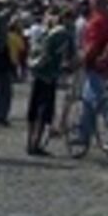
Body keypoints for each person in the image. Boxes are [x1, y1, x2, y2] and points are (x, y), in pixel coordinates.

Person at [75, 0, 108, 153]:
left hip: (94, 65)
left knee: (102, 103)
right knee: (88, 101)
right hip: (105, 65)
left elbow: (92, 45)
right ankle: (83, 134)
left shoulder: (96, 22)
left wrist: (83, 59)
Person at [26, 11, 72, 156]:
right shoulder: (64, 35)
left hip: (38, 75)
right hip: (49, 75)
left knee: (33, 110)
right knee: (43, 112)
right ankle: (35, 144)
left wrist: (32, 65)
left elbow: (36, 51)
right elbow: (62, 57)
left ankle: (30, 143)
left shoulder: (47, 32)